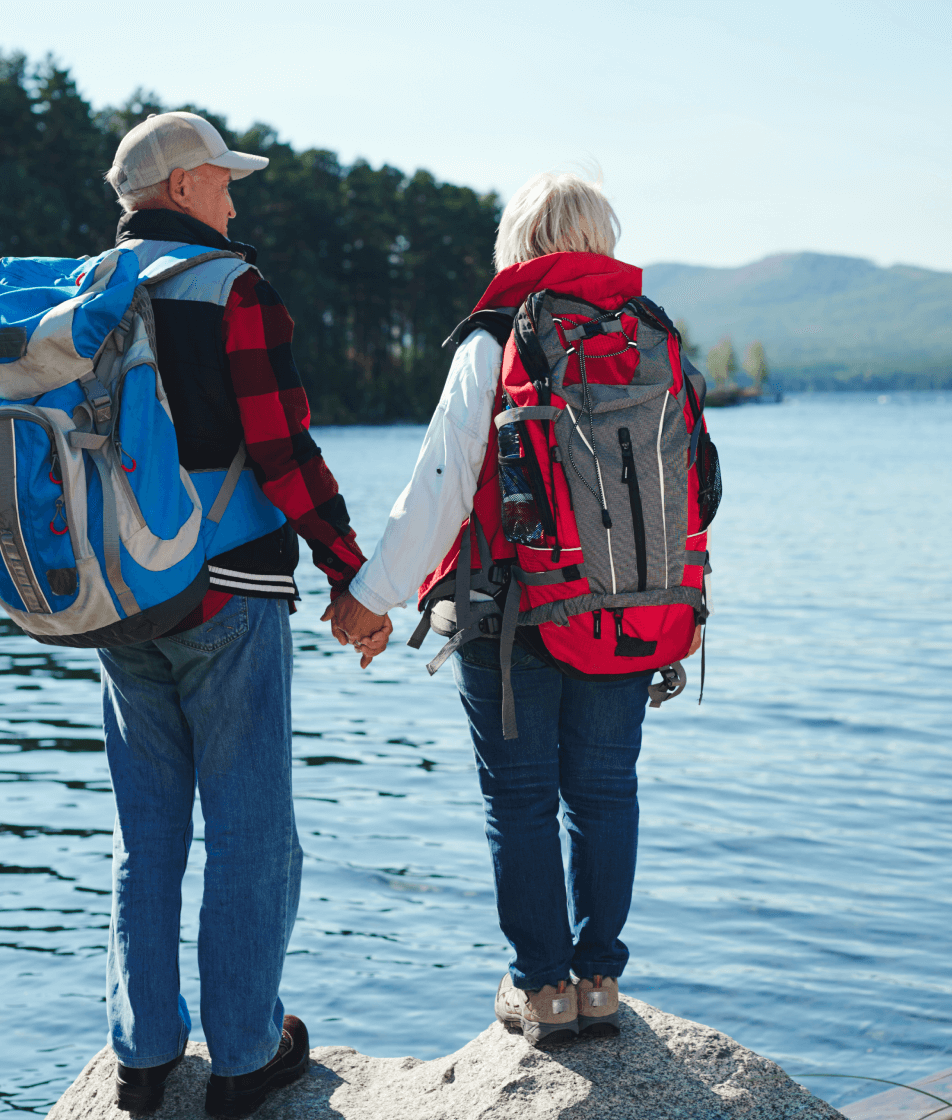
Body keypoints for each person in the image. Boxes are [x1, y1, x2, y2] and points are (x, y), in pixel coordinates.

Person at [327, 172, 706, 1047]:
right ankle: (601, 981)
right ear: (599, 239)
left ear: (517, 245)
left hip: (509, 617)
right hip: (630, 610)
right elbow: (696, 490)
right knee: (607, 794)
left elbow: (439, 487)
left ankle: (543, 990)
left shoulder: (498, 339)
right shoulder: (653, 340)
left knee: (523, 799)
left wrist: (368, 598)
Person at [96, 111, 386, 1118]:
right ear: (179, 188)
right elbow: (282, 445)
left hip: (117, 600)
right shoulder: (231, 288)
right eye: (222, 179)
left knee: (147, 833)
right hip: (227, 592)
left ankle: (141, 1054)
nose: (234, 195)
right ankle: (246, 1056)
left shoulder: (89, 288)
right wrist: (352, 573)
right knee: (252, 830)